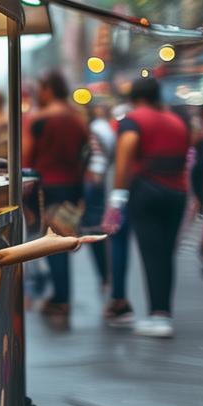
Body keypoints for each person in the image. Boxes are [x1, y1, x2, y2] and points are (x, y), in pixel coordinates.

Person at [103, 77, 190, 338]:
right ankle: (162, 311)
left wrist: (117, 196)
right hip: (177, 191)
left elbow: (126, 151)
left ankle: (158, 317)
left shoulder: (132, 120)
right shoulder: (176, 120)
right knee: (165, 253)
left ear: (134, 97)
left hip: (147, 190)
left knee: (151, 252)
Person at [23, 71, 89, 324]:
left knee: (53, 242)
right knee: (64, 238)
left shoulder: (39, 118)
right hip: (73, 187)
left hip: (46, 188)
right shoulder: (77, 117)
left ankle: (61, 299)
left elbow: (26, 155)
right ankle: (62, 296)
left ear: (49, 89)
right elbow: (86, 152)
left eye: (41, 88)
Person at [81, 103, 117, 306]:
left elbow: (97, 158)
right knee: (96, 228)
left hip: (93, 181)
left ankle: (105, 277)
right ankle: (105, 277)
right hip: (98, 182)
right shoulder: (104, 128)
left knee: (94, 229)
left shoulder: (94, 129)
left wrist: (93, 176)